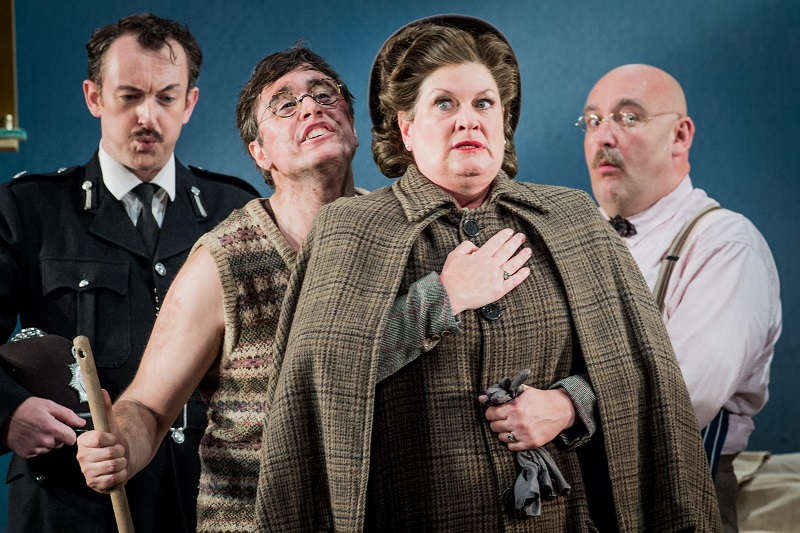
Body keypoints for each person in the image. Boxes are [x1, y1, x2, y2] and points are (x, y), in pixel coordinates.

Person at [253, 15, 721, 532]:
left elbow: (639, 370)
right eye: (444, 103)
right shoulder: (351, 228)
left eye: (484, 103)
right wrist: (442, 298)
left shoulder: (572, 219)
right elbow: (321, 381)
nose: (468, 120)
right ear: (406, 128)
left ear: (503, 122)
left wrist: (570, 405)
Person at [74, 45, 530, 532]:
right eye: (284, 105)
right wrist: (119, 443)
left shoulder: (413, 234)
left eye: (324, 95)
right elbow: (148, 407)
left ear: (355, 129)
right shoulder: (223, 261)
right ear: (260, 154)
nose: (311, 107)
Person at [0, 13, 258, 532]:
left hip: (206, 499)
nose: (148, 116)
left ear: (190, 103)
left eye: (166, 97)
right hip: (72, 502)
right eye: (129, 96)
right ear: (94, 97)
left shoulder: (238, 210)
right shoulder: (30, 210)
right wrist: (8, 412)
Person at [580, 63, 782, 532]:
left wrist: (562, 411)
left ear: (680, 136)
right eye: (592, 121)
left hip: (678, 497)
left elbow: (682, 400)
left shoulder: (725, 246)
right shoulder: (579, 241)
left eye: (628, 117)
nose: (603, 135)